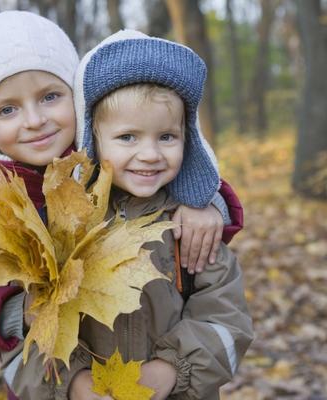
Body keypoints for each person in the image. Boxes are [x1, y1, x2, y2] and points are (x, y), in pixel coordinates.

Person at [0, 11, 243, 400]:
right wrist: (23, 321)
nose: (35, 120)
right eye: (7, 109)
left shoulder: (112, 165)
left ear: (80, 106)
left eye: (50, 97)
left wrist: (207, 203)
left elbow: (168, 153)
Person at [67, 30, 253, 399]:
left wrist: (173, 369)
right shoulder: (68, 227)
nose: (150, 154)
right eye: (128, 138)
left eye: (166, 137)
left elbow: (227, 319)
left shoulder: (190, 228)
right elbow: (32, 326)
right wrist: (73, 382)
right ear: (93, 140)